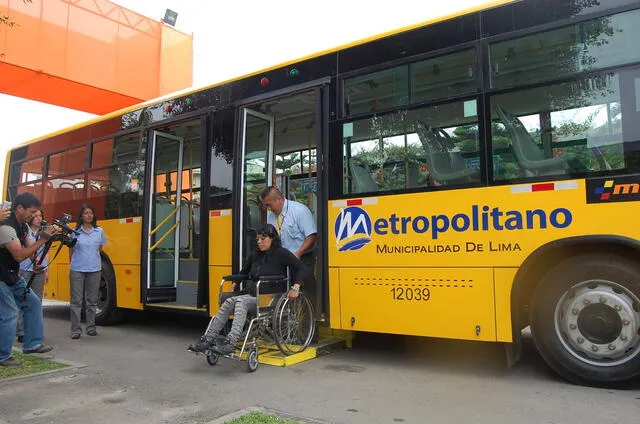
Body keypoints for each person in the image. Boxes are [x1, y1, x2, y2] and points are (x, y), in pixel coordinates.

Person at [188, 224, 311, 355]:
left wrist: (296, 286)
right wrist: (235, 282)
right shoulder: (255, 255)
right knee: (229, 301)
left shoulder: (282, 253)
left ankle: (231, 342)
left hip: (270, 297)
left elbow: (301, 267)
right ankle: (208, 339)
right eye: (257, 239)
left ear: (272, 239)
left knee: (241, 302)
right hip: (253, 294)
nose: (259, 242)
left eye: (263, 239)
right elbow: (244, 271)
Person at [0, 193, 55, 367]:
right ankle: (3, 356)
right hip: (1, 275)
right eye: (31, 212)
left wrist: (36, 263)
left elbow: (29, 245)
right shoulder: (6, 226)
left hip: (11, 274)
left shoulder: (23, 226)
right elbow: (18, 254)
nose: (33, 215)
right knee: (10, 313)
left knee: (32, 302)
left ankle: (32, 344)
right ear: (19, 208)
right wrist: (43, 240)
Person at [259, 186, 318, 317]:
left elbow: (311, 236)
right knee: (285, 295)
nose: (268, 208)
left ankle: (309, 330)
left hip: (302, 258)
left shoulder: (299, 211)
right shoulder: (271, 215)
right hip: (283, 260)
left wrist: (298, 253)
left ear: (279, 199)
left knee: (306, 295)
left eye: (269, 205)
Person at [68, 204, 106, 339]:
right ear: (81, 216)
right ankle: (75, 330)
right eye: (86, 213)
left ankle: (91, 327)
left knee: (92, 300)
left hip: (94, 269)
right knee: (76, 301)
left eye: (91, 213)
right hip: (77, 269)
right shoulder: (75, 231)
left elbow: (100, 248)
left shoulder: (99, 231)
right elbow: (71, 250)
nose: (89, 215)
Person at [16, 208, 49, 343]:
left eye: (40, 215)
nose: (38, 218)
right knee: (22, 300)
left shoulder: (45, 234)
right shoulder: (24, 231)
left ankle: (34, 331)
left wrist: (47, 270)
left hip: (40, 270)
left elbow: (47, 253)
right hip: (24, 269)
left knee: (37, 301)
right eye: (35, 215)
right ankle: (21, 331)